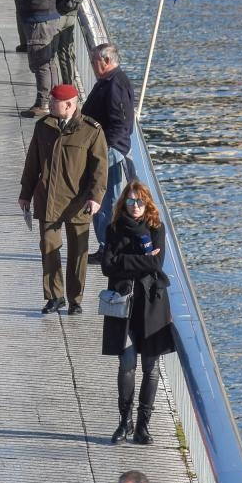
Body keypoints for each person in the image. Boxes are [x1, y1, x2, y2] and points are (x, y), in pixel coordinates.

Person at [18, 83, 106, 315]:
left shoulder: (91, 130)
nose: (49, 104)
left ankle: (75, 299)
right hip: (48, 199)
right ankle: (54, 296)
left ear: (69, 104)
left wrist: (95, 197)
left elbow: (100, 168)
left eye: (53, 101)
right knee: (49, 246)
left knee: (79, 253)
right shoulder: (43, 127)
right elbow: (32, 164)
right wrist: (25, 194)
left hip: (78, 202)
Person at [101, 181, 175, 446]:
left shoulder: (157, 228)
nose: (135, 207)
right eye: (131, 201)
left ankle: (143, 425)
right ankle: (124, 421)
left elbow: (156, 263)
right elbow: (107, 267)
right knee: (127, 363)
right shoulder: (114, 228)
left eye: (139, 202)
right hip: (124, 303)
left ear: (147, 204)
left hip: (152, 304)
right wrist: (138, 262)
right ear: (124, 202)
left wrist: (124, 261)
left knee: (151, 367)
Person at [8, 0, 74, 119]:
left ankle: (42, 103)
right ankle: (53, 99)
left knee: (41, 63)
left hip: (40, 22)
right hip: (44, 19)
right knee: (48, 62)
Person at [84, 42, 137, 254]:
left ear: (106, 61)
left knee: (106, 199)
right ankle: (108, 246)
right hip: (107, 146)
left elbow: (120, 123)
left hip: (111, 149)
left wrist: (104, 150)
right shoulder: (108, 80)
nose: (91, 66)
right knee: (106, 197)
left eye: (94, 62)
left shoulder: (115, 84)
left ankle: (109, 247)